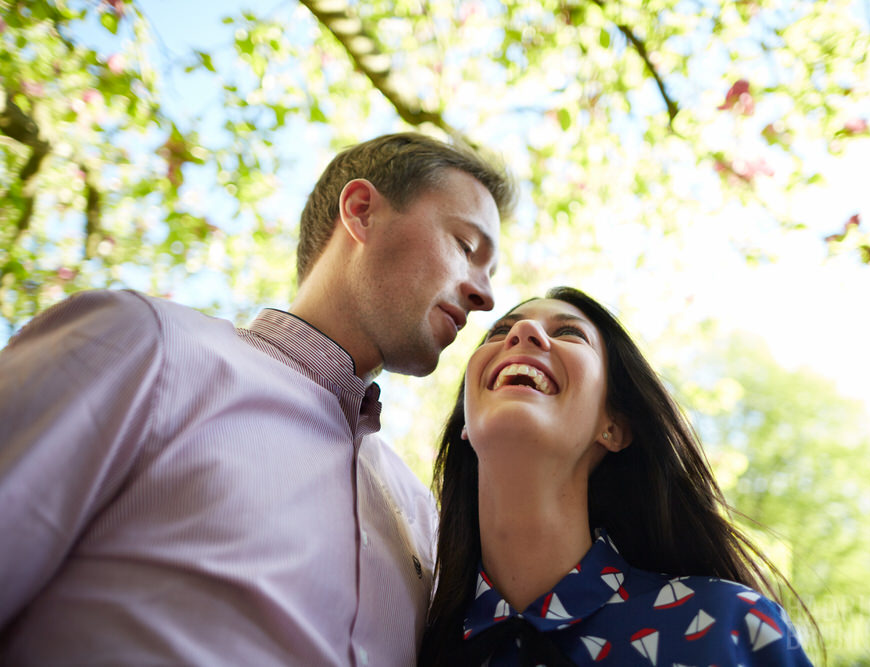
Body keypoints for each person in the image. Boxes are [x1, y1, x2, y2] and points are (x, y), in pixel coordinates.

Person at [0, 132, 515, 665]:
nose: (486, 296)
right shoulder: (149, 349)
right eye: (465, 246)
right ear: (361, 212)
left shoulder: (420, 517)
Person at [420, 287, 816, 666]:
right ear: (466, 425)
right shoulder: (412, 642)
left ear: (614, 427)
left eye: (570, 333)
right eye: (501, 331)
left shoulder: (728, 627)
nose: (523, 333)